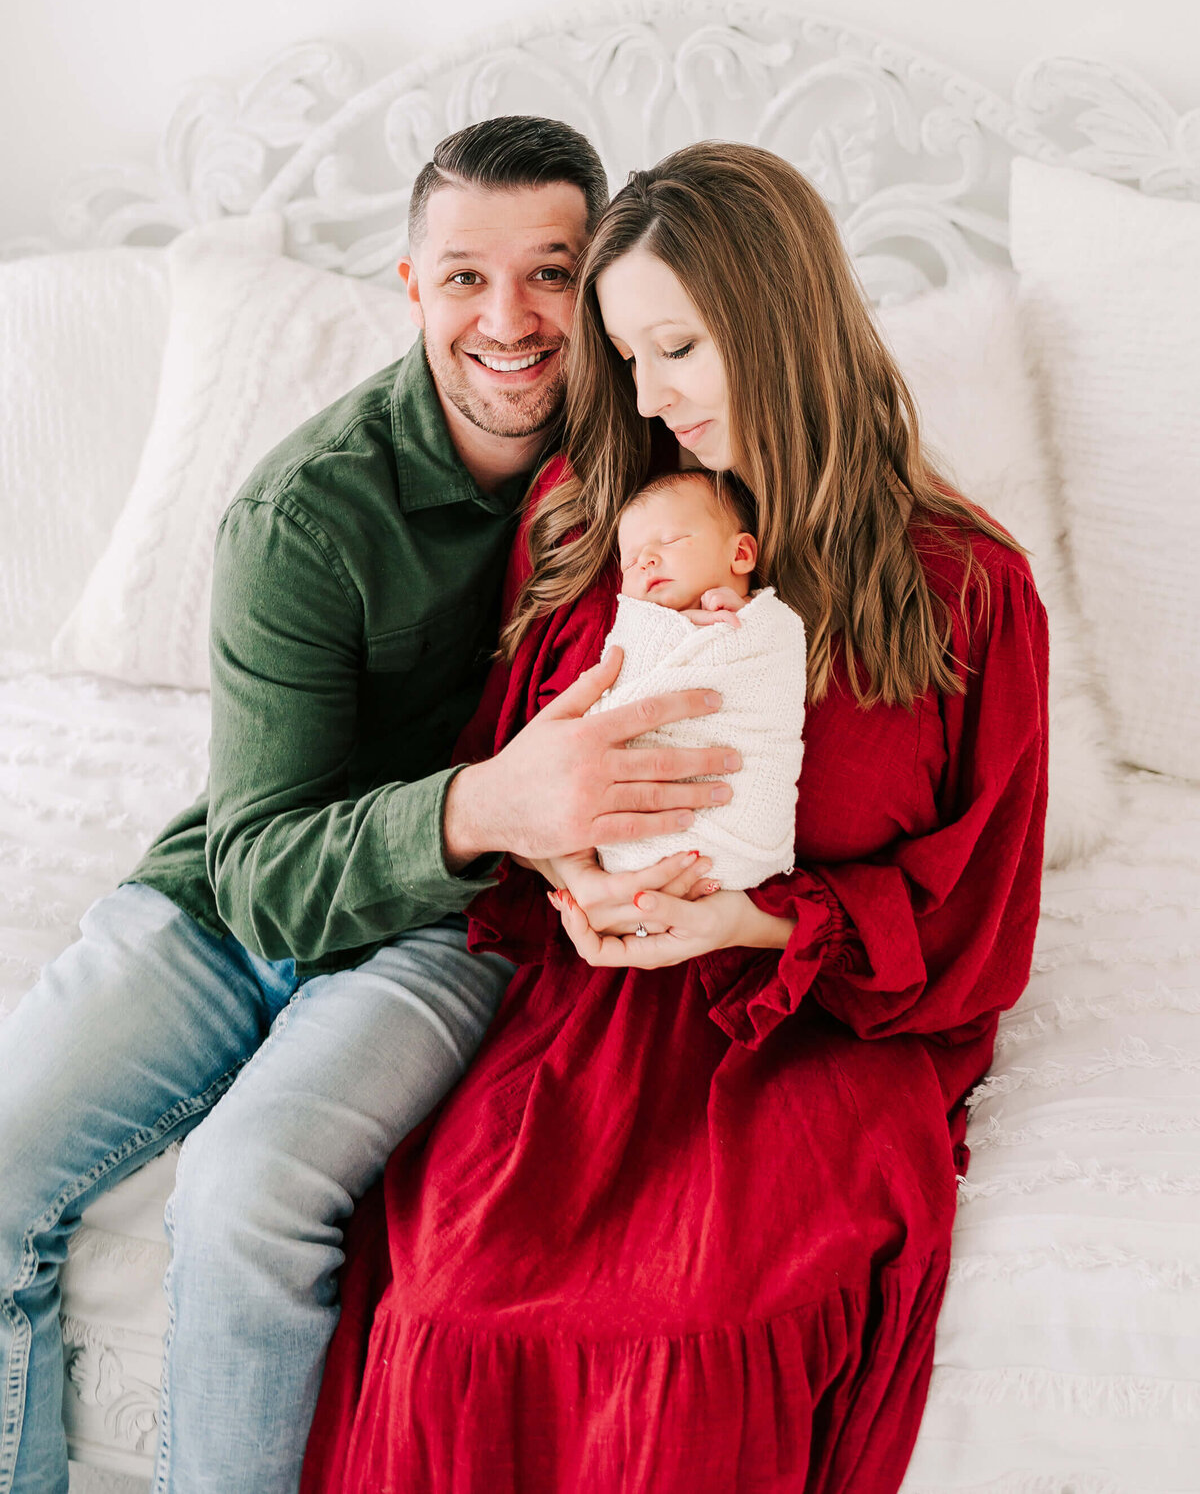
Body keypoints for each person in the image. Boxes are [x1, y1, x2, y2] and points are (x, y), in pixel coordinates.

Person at [0, 116, 739, 1494]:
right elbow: (260, 868)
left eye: (552, 274)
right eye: (464, 276)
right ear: (411, 289)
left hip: (447, 923)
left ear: (610, 288)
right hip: (237, 890)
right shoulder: (302, 513)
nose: (507, 319)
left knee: (240, 1200)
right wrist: (484, 801)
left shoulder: (665, 475)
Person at [301, 141, 1051, 1494]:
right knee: (445, 1299)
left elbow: (978, 926)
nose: (650, 395)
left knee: (695, 1334)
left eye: (679, 350)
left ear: (779, 323)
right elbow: (519, 772)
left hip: (808, 1026)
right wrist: (572, 865)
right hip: (590, 1007)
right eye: (628, 358)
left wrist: (759, 919)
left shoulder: (967, 590)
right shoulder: (598, 526)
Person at [591, 468, 809, 896]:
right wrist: (670, 632)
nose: (646, 560)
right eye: (631, 561)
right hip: (630, 848)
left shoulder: (768, 627)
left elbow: (775, 683)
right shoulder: (634, 629)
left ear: (741, 554)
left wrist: (736, 623)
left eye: (670, 541)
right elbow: (613, 692)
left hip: (740, 831)